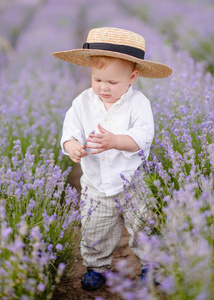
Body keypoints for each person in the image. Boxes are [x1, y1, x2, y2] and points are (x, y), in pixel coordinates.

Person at [52, 27, 172, 290]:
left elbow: (142, 138)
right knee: (95, 228)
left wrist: (115, 141)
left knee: (143, 225)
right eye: (97, 80)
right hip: (95, 182)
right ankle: (96, 267)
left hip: (133, 180)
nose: (103, 88)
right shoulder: (82, 102)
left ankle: (151, 265)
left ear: (133, 77)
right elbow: (69, 131)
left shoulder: (139, 104)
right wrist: (72, 146)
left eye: (112, 82)